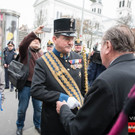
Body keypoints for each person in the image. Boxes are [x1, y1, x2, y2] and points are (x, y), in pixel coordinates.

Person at [56, 25, 135, 135]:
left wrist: (64, 109)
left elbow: (79, 130)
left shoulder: (106, 82)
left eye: (101, 46)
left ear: (107, 46)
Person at [31, 18, 85, 135]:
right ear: (54, 39)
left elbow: (83, 90)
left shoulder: (79, 58)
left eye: (72, 38)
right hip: (53, 121)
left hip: (76, 118)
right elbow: (36, 90)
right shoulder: (43, 62)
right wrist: (62, 97)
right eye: (66, 38)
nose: (71, 42)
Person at [16, 26, 44, 135]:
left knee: (38, 109)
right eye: (34, 40)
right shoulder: (25, 51)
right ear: (30, 43)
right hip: (25, 86)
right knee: (22, 109)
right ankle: (19, 126)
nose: (36, 42)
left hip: (38, 87)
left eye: (38, 41)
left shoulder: (41, 54)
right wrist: (34, 33)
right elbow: (22, 44)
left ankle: (38, 125)